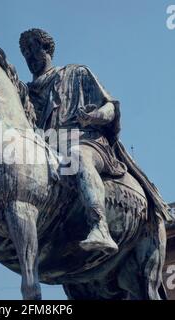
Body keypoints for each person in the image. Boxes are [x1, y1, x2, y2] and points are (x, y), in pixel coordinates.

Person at [19, 28, 172, 254]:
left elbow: (110, 107)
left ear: (46, 48)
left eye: (32, 48)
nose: (29, 56)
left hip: (86, 142)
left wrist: (93, 116)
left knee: (77, 158)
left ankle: (99, 225)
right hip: (48, 149)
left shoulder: (77, 73)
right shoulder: (26, 93)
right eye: (25, 52)